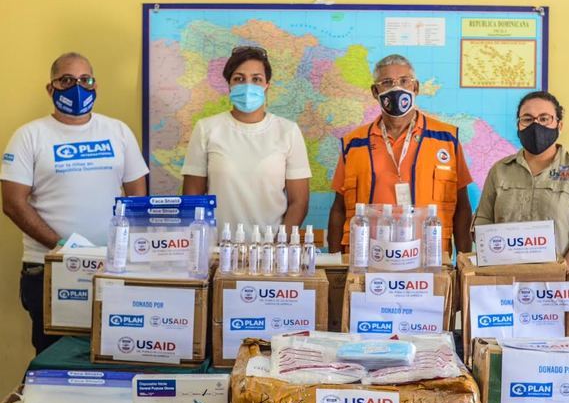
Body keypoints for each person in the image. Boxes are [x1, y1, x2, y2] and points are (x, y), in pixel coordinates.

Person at [1, 52, 149, 353]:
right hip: (48, 269)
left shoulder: (117, 131)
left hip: (111, 267)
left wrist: (125, 252)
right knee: (55, 358)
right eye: (66, 80)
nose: (77, 87)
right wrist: (64, 248)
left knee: (113, 354)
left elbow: (138, 197)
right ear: (50, 87)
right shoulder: (29, 135)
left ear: (95, 85)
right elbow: (13, 203)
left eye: (85, 80)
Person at [475, 91, 569, 323]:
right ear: (518, 126)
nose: (536, 125)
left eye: (544, 118)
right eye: (528, 119)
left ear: (559, 124)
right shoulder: (500, 171)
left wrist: (556, 282)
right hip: (506, 287)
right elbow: (483, 223)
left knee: (558, 354)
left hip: (561, 288)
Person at [328, 54, 473, 253]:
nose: (397, 89)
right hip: (367, 258)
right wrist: (336, 265)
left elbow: (462, 207)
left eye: (405, 81)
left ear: (416, 88)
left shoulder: (446, 139)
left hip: (429, 259)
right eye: (387, 82)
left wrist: (463, 262)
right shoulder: (354, 144)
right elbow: (338, 209)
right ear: (375, 91)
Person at [181, 46, 311, 233]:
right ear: (229, 85)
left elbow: (299, 202)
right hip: (217, 251)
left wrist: (276, 248)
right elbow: (192, 197)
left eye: (256, 79)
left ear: (267, 86)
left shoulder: (288, 131)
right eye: (239, 79)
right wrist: (205, 247)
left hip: (269, 251)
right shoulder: (207, 129)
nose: (248, 86)